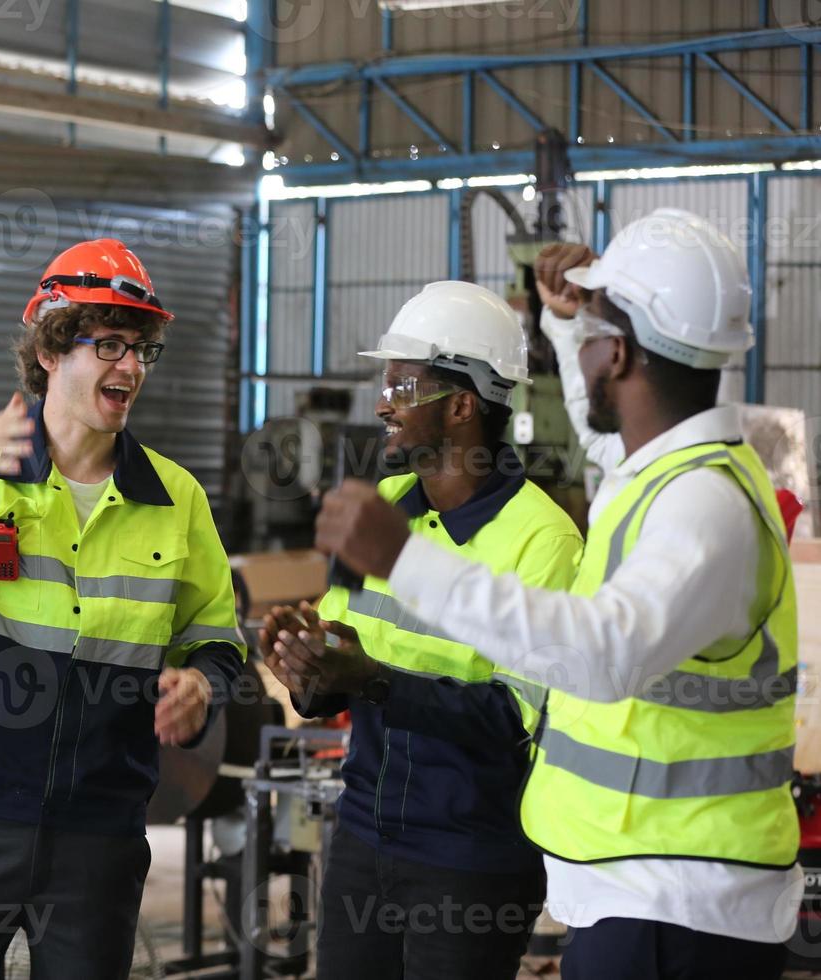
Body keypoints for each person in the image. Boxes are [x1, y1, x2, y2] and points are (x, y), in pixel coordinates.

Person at [313, 210, 802, 980]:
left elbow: (602, 655)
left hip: (679, 900)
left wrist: (407, 561)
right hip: (645, 889)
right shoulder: (663, 475)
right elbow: (602, 431)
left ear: (624, 353)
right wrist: (568, 323)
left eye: (597, 333)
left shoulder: (701, 503)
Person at [0, 238, 247, 979]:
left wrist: (204, 685)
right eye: (112, 345)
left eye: (143, 350)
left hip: (101, 826)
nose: (131, 367)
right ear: (53, 349)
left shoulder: (176, 498)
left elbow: (218, 641)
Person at [260, 281, 582, 980]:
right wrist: (301, 660)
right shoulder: (382, 513)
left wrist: (371, 680)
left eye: (403, 387)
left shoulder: (543, 540)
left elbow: (512, 718)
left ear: (463, 405)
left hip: (472, 863)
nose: (382, 403)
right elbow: (335, 670)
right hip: (365, 839)